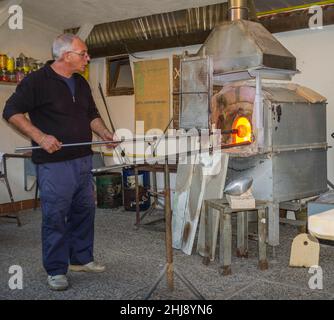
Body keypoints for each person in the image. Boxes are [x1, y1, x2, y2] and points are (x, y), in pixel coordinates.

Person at [3, 34, 117, 291]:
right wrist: (40, 137)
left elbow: (91, 115)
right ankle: (55, 270)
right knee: (55, 215)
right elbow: (11, 111)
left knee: (85, 211)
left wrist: (105, 133)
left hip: (83, 159)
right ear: (66, 55)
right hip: (54, 164)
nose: (87, 58)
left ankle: (81, 259)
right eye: (83, 54)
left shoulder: (81, 82)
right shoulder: (37, 81)